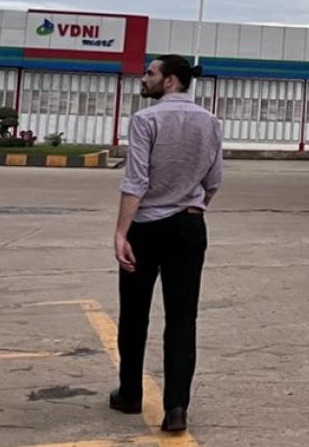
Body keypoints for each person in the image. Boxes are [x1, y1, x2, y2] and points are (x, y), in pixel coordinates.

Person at [109, 55, 223, 434]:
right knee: (182, 318)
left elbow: (136, 180)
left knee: (135, 314)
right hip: (190, 228)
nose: (144, 78)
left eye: (150, 73)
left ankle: (130, 394)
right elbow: (214, 180)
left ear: (170, 81)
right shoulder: (210, 122)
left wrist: (121, 232)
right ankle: (176, 408)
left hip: (146, 228)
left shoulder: (146, 120)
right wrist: (192, 206)